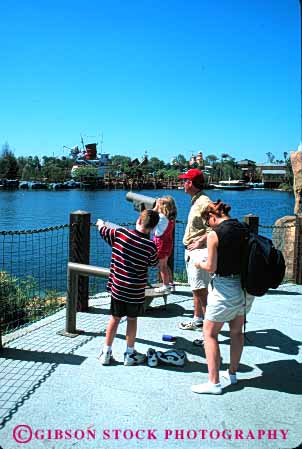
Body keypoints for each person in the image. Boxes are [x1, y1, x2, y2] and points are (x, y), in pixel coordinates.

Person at [191, 200, 254, 395]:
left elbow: (211, 267)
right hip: (246, 287)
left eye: (208, 222)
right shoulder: (244, 228)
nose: (208, 226)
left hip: (225, 288)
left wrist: (198, 263)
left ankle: (214, 383)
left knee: (209, 333)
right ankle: (232, 373)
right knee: (236, 332)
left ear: (212, 217)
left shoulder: (214, 234)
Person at [96, 209, 159, 366]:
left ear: (138, 220)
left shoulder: (121, 234)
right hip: (136, 292)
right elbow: (154, 262)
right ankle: (129, 354)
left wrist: (100, 224)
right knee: (132, 320)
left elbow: (103, 231)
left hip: (118, 289)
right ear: (153, 228)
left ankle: (106, 352)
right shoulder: (150, 245)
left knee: (114, 319)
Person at [178, 168, 211, 332]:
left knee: (201, 291)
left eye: (184, 180)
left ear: (190, 183)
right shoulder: (197, 201)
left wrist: (199, 242)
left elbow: (215, 227)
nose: (182, 183)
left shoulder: (204, 203)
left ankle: (208, 333)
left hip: (199, 253)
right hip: (193, 252)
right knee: (196, 288)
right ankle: (198, 320)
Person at [152, 195, 177, 294]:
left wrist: (156, 207)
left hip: (161, 243)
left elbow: (151, 215)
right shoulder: (171, 217)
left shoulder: (161, 217)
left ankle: (165, 285)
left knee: (162, 266)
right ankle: (171, 284)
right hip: (168, 242)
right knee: (165, 265)